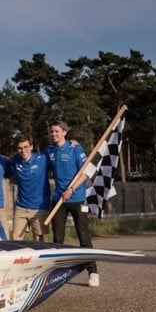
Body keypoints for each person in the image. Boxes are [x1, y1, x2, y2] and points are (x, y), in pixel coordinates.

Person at [45, 120, 98, 287]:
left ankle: (93, 272)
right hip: (59, 200)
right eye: (52, 131)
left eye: (57, 131)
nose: (54, 134)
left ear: (64, 132)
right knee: (57, 240)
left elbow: (87, 172)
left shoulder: (75, 148)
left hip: (77, 198)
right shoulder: (49, 150)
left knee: (84, 237)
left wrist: (72, 189)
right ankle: (57, 274)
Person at [11, 134, 51, 241]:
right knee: (16, 238)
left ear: (31, 146)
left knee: (38, 240)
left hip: (39, 207)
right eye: (20, 148)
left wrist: (71, 142)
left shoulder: (42, 159)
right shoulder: (15, 160)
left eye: (26, 147)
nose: (23, 151)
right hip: (21, 206)